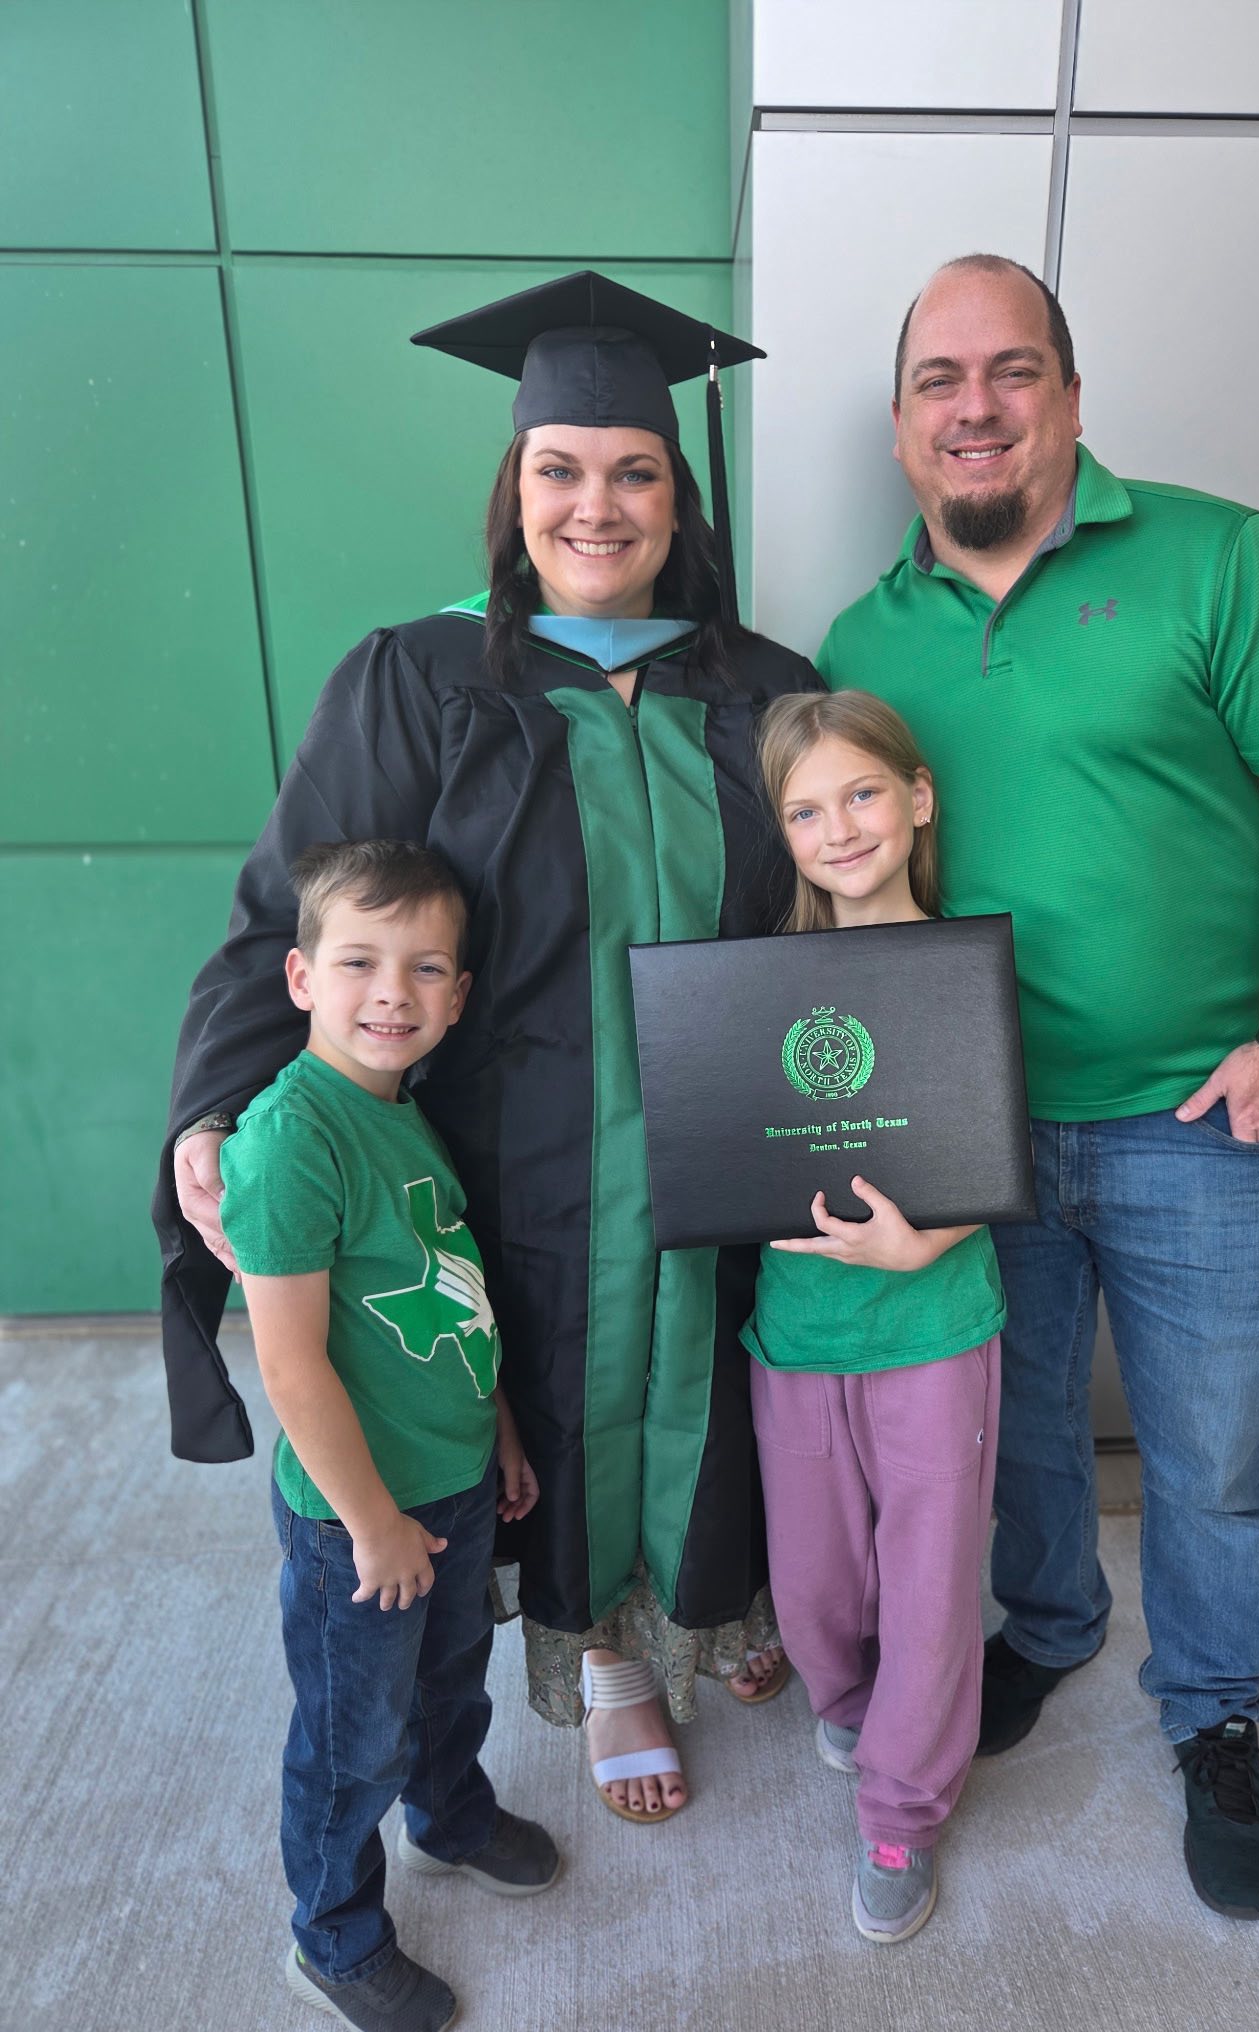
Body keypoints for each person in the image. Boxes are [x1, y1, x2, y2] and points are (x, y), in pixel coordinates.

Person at [153, 272, 822, 1829]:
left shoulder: (765, 687)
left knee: (709, 1372)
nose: (598, 505)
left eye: (636, 470)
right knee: (558, 1387)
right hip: (512, 1160)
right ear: (513, 488)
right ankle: (606, 1658)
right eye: (560, 470)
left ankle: (710, 1598)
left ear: (681, 495)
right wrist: (212, 1102)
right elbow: (290, 917)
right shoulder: (418, 676)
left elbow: (843, 916)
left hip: (722, 1147)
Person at [817, 254, 1259, 1920]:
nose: (974, 406)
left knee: (1208, 1454)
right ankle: (1052, 1627)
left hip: (1195, 1125)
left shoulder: (1216, 558)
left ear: (1068, 396)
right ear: (907, 420)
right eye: (939, 380)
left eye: (1009, 372)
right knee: (1023, 1437)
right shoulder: (866, 632)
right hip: (972, 1129)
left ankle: (1213, 1710)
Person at [220, 839, 557, 2032]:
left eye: (425, 968)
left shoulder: (400, 1113)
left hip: (454, 1485)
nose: (392, 993)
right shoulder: (289, 1137)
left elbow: (450, 1287)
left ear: (459, 994)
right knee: (350, 1738)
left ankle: (452, 1815)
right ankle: (336, 1934)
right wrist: (371, 1522)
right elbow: (290, 1361)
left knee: (452, 1680)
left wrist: (501, 1431)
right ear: (304, 975)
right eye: (360, 960)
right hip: (356, 1519)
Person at [743, 690, 1006, 1944]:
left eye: (860, 792)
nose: (837, 827)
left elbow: (994, 1130)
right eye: (804, 808)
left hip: (934, 1324)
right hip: (796, 1328)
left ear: (918, 795)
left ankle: (904, 1804)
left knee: (931, 1577)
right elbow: (725, 1135)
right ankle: (848, 1704)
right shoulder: (759, 982)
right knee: (815, 1577)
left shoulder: (966, 968)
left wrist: (926, 1239)